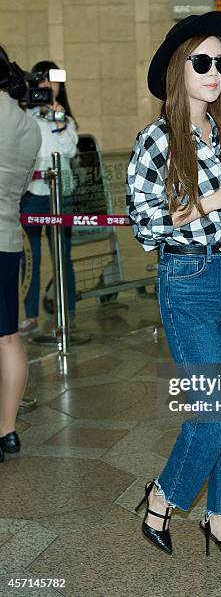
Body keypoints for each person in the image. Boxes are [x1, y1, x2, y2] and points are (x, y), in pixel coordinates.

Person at [126, 12, 221, 567]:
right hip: (187, 281)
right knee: (214, 409)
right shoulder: (158, 139)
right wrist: (213, 202)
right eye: (202, 62)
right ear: (177, 68)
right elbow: (145, 225)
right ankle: (163, 495)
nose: (214, 72)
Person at [0, 46, 41, 463]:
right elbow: (26, 182)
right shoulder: (28, 126)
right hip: (8, 240)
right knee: (8, 337)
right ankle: (7, 431)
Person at [19, 60, 78, 336]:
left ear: (59, 86)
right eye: (41, 80)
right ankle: (30, 314)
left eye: (52, 80)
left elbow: (70, 149)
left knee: (62, 256)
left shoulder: (65, 118)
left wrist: (59, 121)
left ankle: (69, 313)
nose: (46, 85)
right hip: (31, 195)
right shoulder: (25, 116)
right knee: (30, 259)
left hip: (60, 194)